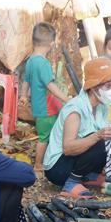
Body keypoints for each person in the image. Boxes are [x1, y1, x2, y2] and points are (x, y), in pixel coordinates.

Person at [44, 57, 111, 198]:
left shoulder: (102, 107)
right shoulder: (75, 109)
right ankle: (71, 183)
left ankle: (90, 176)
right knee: (98, 139)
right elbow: (68, 148)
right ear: (93, 87)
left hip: (76, 160)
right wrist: (98, 136)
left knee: (110, 138)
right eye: (108, 86)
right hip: (58, 168)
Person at [20, 22, 70, 174]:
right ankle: (38, 164)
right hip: (47, 108)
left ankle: (49, 157)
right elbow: (51, 86)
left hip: (39, 106)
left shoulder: (30, 61)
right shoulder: (43, 64)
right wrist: (66, 99)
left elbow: (26, 80)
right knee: (44, 137)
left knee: (46, 134)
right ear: (51, 43)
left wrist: (23, 95)